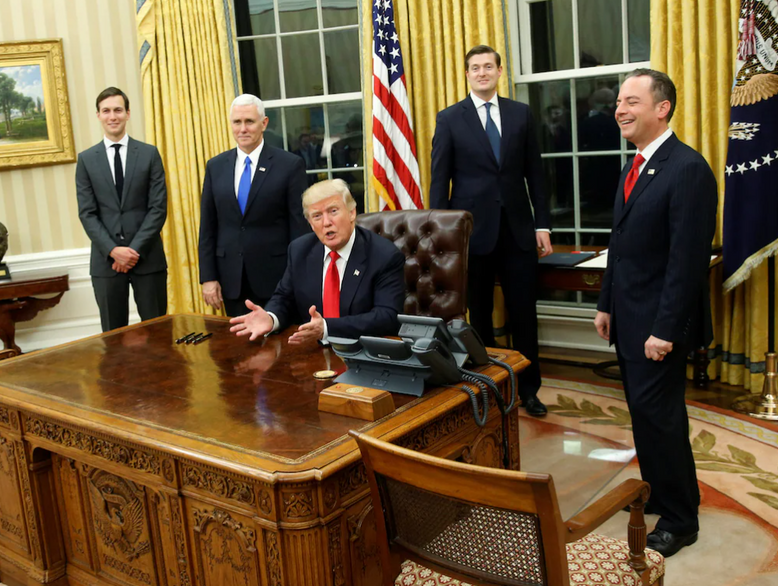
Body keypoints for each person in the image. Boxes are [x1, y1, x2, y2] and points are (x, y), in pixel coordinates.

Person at [594, 68, 717, 558]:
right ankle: (661, 495)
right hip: (628, 318)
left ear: (661, 108)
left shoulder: (687, 168)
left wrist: (665, 330)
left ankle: (681, 519)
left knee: (662, 420)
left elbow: (687, 263)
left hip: (659, 326)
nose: (619, 109)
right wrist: (606, 304)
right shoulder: (635, 165)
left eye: (631, 101)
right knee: (645, 418)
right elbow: (619, 246)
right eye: (619, 102)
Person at [430, 44, 553, 417]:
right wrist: (442, 234)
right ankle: (489, 385)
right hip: (471, 236)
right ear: (466, 74)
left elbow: (536, 173)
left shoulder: (521, 114)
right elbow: (440, 182)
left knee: (523, 315)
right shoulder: (450, 118)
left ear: (500, 71)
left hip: (518, 231)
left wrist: (543, 224)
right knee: (479, 317)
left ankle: (529, 390)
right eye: (474, 67)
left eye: (488, 66)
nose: (482, 72)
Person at [230, 179, 405, 345]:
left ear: (352, 213)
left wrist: (327, 328)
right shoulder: (299, 250)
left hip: (363, 351)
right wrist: (271, 317)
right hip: (311, 350)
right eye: (317, 216)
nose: (326, 223)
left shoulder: (384, 255)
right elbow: (284, 298)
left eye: (333, 211)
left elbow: (386, 317)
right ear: (311, 224)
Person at [199, 94, 308, 317]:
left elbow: (299, 228)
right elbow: (208, 227)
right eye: (237, 122)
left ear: (264, 123)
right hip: (231, 280)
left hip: (276, 279)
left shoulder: (289, 165)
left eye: (249, 121)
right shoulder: (215, 166)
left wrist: (296, 276)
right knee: (238, 347)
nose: (243, 129)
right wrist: (208, 277)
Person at [75, 87, 168, 332]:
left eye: (118, 110)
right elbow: (87, 213)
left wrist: (132, 251)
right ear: (98, 115)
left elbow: (158, 208)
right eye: (106, 111)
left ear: (128, 113)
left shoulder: (149, 154)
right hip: (106, 262)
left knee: (158, 334)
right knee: (113, 338)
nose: (112, 116)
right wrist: (114, 251)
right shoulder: (86, 159)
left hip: (147, 258)